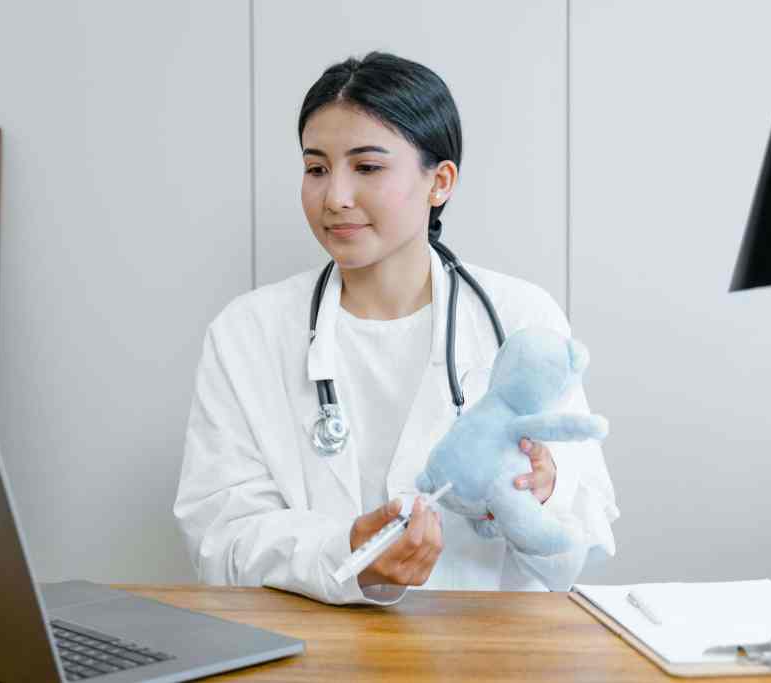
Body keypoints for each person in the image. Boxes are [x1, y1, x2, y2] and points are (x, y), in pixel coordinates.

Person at [174, 52, 618, 605]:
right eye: (316, 168)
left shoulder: (522, 320)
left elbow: (586, 534)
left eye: (367, 167)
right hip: (315, 655)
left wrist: (542, 496)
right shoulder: (247, 333)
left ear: (441, 181)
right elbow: (220, 536)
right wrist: (344, 552)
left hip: (487, 656)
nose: (334, 196)